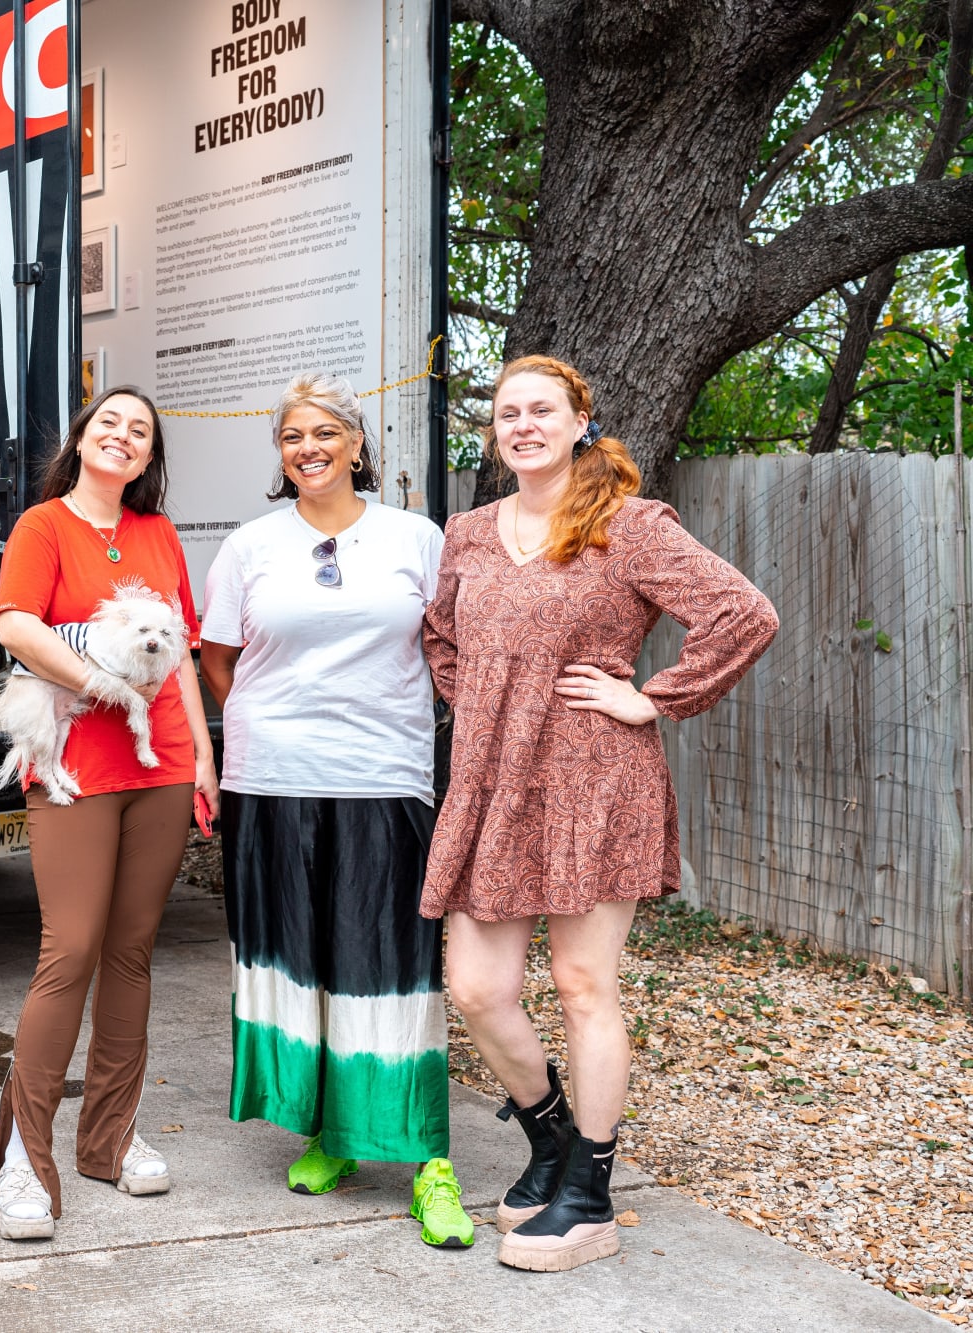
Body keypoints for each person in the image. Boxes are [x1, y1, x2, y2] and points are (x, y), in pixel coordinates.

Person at [424, 355, 777, 1272]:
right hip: (495, 785)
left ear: (582, 419)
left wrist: (650, 699)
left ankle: (589, 1193)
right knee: (475, 986)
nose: (524, 425)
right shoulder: (466, 530)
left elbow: (744, 613)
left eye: (543, 410)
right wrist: (494, 707)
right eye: (508, 414)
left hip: (594, 781)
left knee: (584, 986)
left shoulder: (630, 526)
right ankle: (552, 1144)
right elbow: (441, 637)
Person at [198, 373, 474, 1250]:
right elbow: (217, 657)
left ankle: (429, 1159)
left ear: (358, 443)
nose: (308, 448)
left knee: (394, 964)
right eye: (291, 437)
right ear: (280, 455)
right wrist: (275, 723)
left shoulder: (416, 537)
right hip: (271, 779)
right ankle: (332, 1135)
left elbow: (451, 649)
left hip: (384, 776)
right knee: (302, 959)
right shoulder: (249, 546)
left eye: (324, 433)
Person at [0, 385, 219, 1241]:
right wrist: (103, 684)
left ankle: (110, 1138)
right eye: (109, 423)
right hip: (77, 766)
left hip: (160, 768)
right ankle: (24, 1156)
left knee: (130, 953)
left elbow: (186, 655)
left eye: (141, 431)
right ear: (83, 440)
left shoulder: (158, 537)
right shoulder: (44, 526)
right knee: (70, 950)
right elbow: (15, 624)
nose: (123, 437)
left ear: (149, 457)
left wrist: (204, 757)